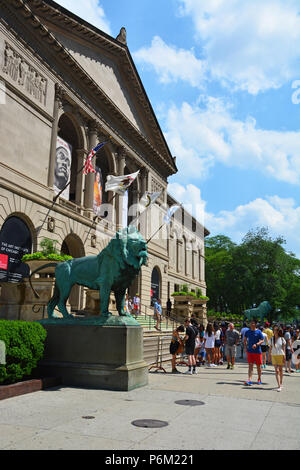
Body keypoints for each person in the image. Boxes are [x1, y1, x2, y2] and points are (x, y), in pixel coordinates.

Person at [244, 319, 264, 385]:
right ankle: (249, 379)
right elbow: (245, 340)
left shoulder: (259, 332)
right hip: (250, 351)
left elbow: (262, 340)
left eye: (253, 323)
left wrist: (257, 344)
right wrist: (245, 347)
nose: (252, 324)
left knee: (258, 366)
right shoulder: (247, 331)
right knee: (250, 365)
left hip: (257, 351)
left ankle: (259, 379)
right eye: (251, 323)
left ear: (255, 324)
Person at [271, 326, 286, 391]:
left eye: (276, 330)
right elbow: (270, 347)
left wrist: (284, 355)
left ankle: (281, 383)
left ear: (278, 331)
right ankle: (279, 385)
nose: (275, 331)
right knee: (276, 371)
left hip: (280, 355)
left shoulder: (282, 339)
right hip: (274, 355)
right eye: (274, 330)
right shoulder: (271, 339)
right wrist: (269, 356)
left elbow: (283, 348)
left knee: (280, 370)